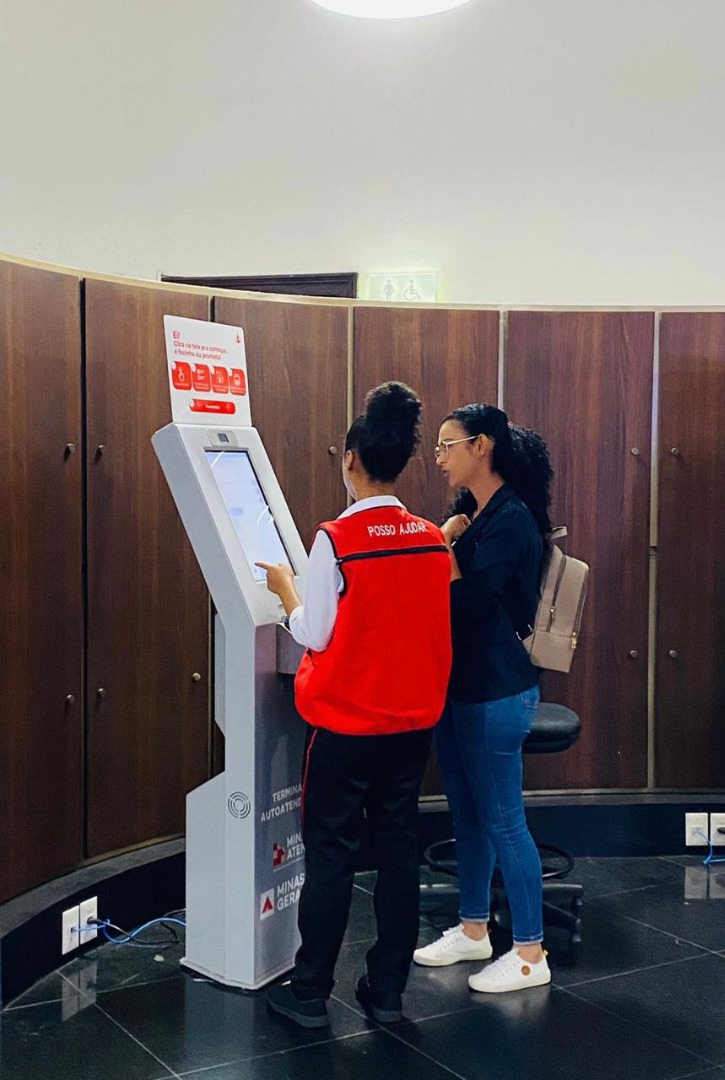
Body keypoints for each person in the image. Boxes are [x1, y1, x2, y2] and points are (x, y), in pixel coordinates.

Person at [257, 381, 452, 1028]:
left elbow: (314, 632)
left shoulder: (336, 539)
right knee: (397, 850)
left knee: (332, 853)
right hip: (410, 726)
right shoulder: (429, 538)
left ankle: (311, 991)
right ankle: (387, 990)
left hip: (345, 726)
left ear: (350, 459)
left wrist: (287, 591)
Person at [413, 404, 553, 994]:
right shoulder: (480, 514)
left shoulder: (511, 520)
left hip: (496, 693)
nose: (440, 458)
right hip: (463, 688)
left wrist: (443, 550)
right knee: (468, 814)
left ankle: (529, 952)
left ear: (483, 446)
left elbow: (466, 607)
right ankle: (474, 929)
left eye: (449, 446)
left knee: (503, 821)